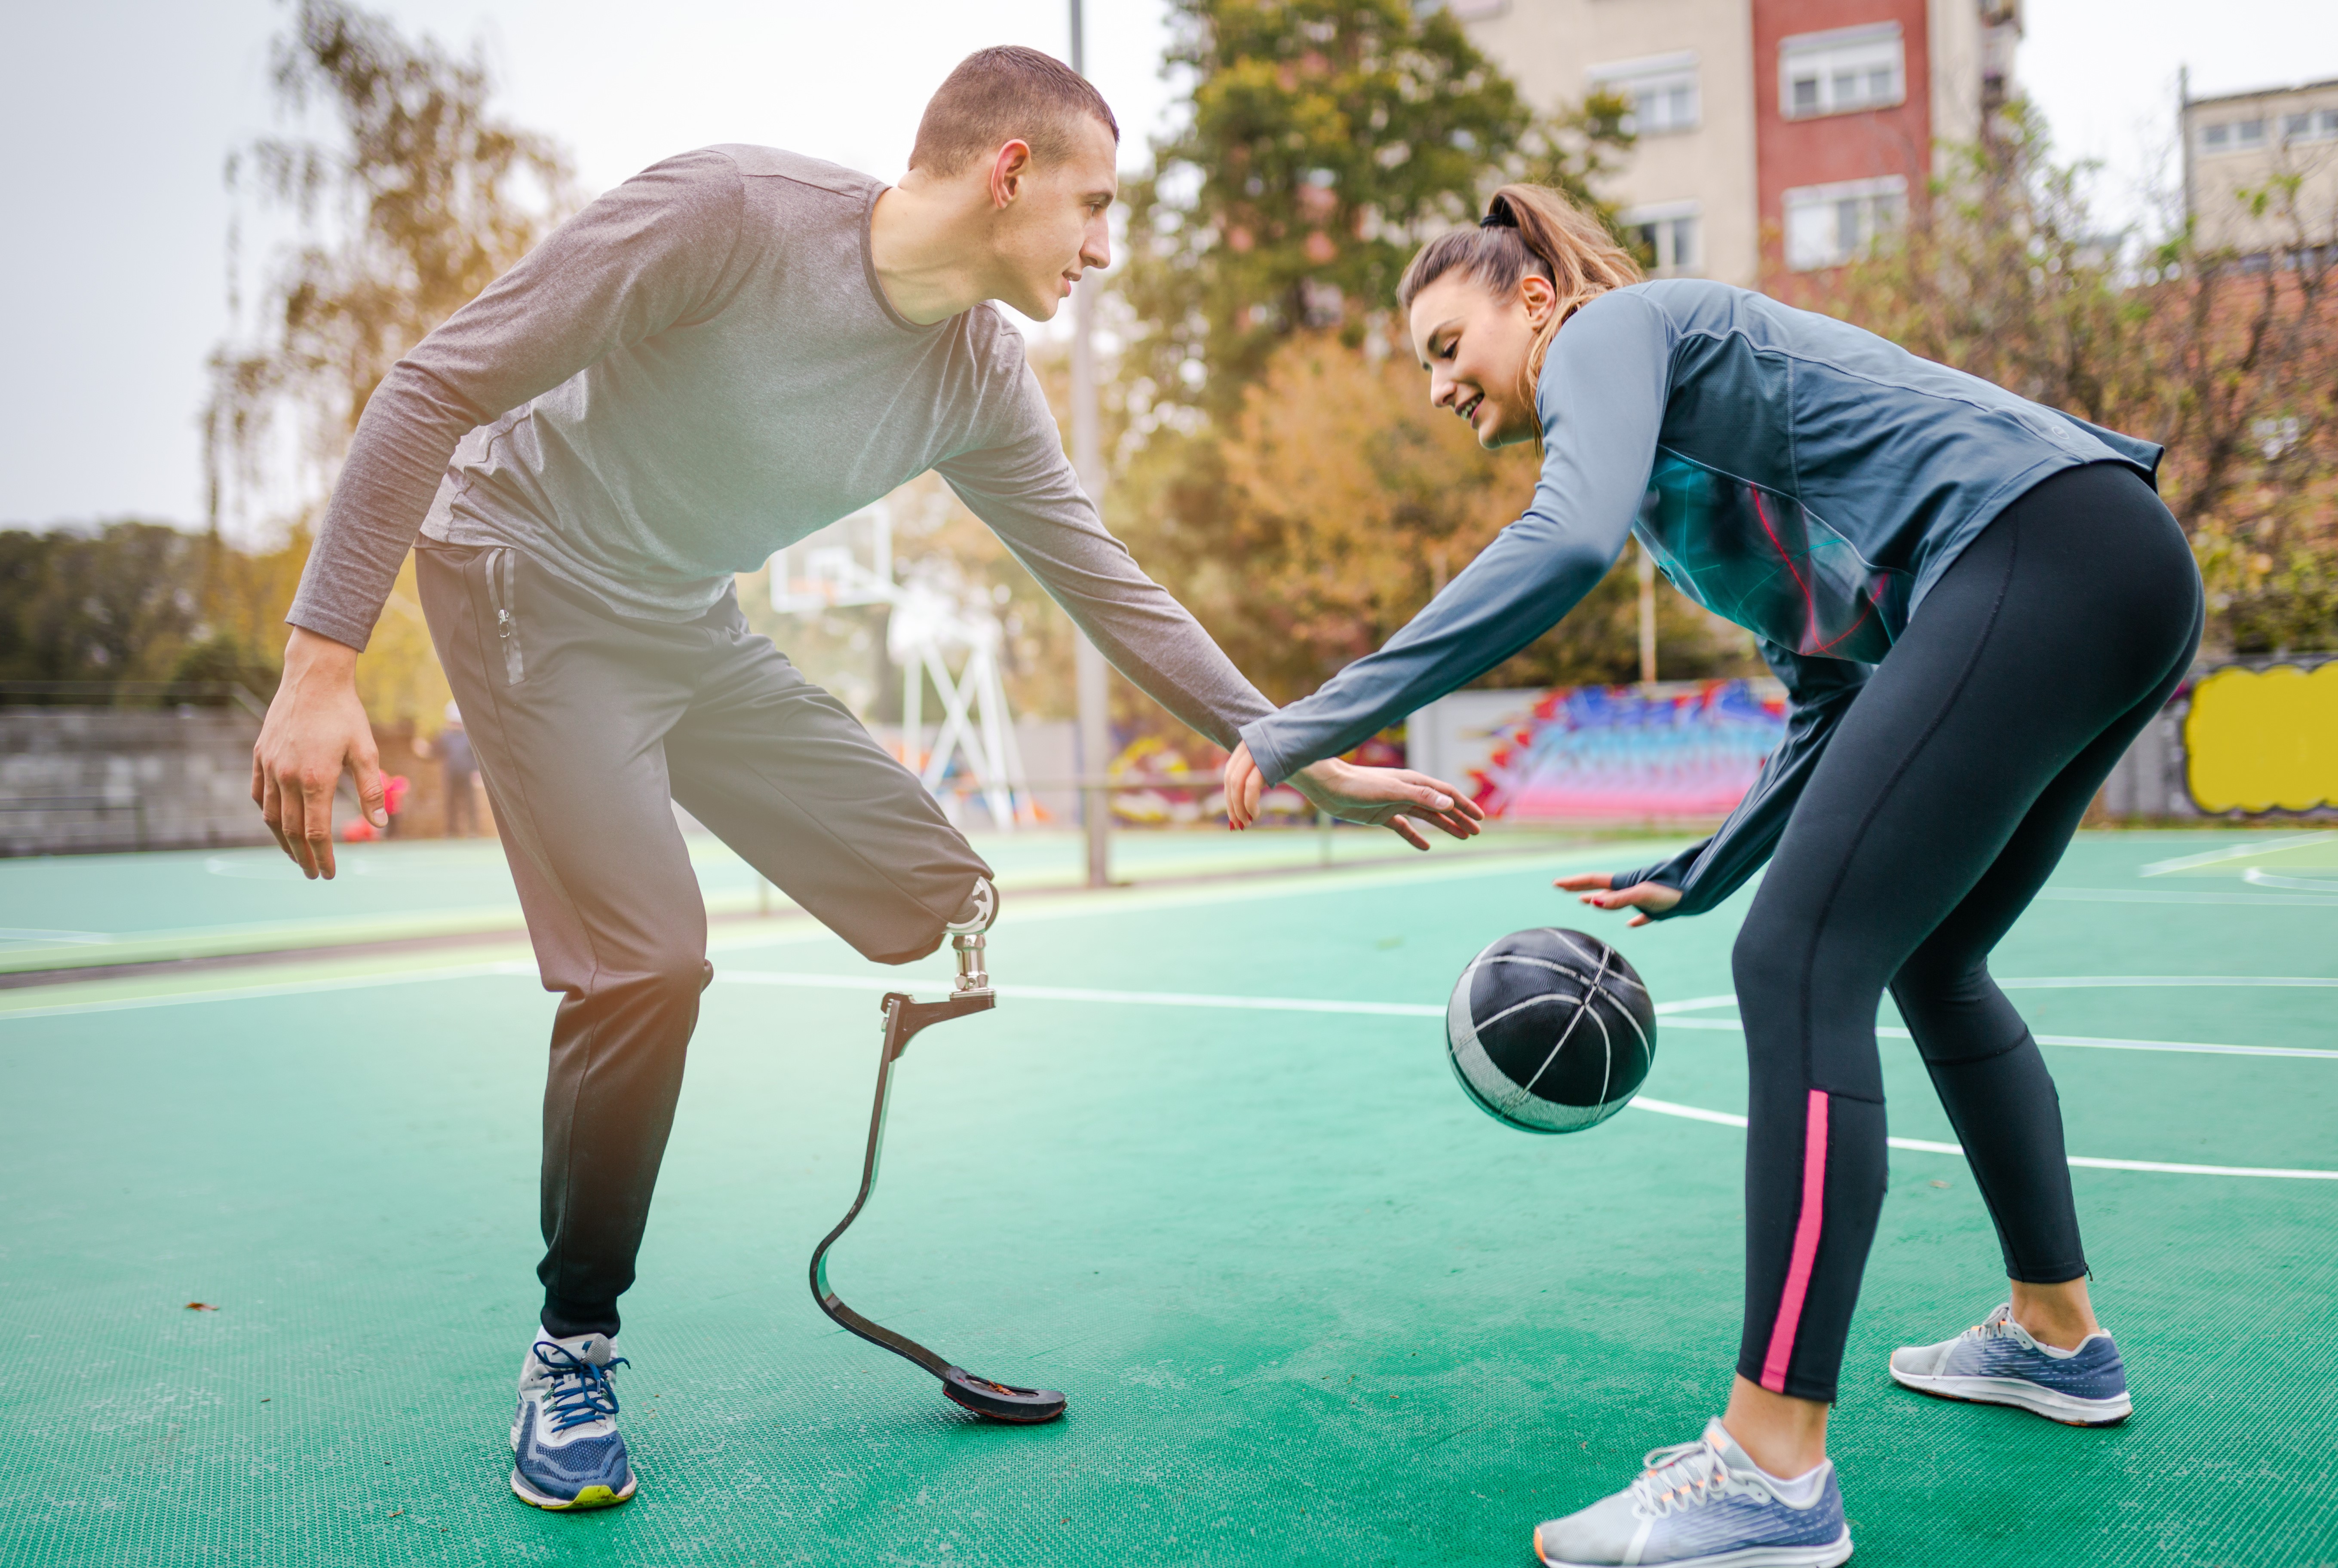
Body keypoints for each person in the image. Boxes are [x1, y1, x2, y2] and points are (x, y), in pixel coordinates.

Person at [249, 46, 1479, 1513]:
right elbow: (433, 379)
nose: (1104, 249)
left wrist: (1288, 747)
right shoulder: (726, 217)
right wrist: (321, 660)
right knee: (649, 962)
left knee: (933, 887)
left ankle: (695, 851)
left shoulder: (976, 372)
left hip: (679, 616)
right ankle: (571, 1348)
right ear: (1006, 172)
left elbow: (1106, 580)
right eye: (1092, 208)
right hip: (525, 575)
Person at [1223, 185, 2200, 1568]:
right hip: (2115, 567)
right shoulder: (1680, 491)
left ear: (1537, 303)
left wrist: (1311, 719)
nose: (1439, 386)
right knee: (1930, 955)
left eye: (1449, 344)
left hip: (2040, 552)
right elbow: (1831, 691)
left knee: (1799, 966)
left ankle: (1773, 1465)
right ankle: (2059, 1336)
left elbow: (1556, 543)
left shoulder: (1616, 331)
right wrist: (1704, 869)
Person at [435, 701, 479, 837]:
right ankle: (451, 831)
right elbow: (436, 751)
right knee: (451, 804)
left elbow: (475, 756)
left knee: (470, 804)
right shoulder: (445, 736)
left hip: (467, 774)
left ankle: (473, 831)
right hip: (451, 774)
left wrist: (477, 773)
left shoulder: (469, 737)